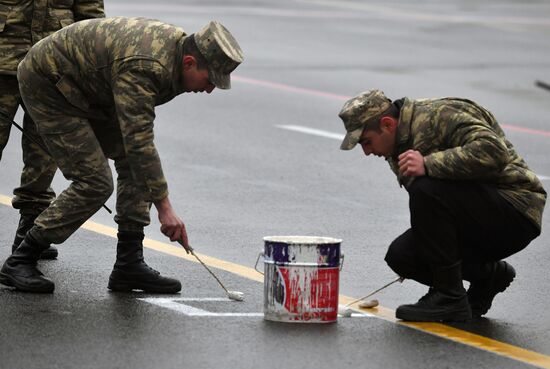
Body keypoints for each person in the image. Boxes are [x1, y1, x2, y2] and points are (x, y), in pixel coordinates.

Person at [0, 17, 244, 294]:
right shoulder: (146, 67)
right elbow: (139, 141)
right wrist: (166, 210)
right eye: (210, 79)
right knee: (95, 182)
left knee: (133, 164)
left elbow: (136, 148)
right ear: (189, 62)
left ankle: (129, 264)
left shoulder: (175, 55)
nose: (210, 89)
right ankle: (22, 258)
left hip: (91, 86)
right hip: (49, 83)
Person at [338, 90, 546, 322]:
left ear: (387, 124)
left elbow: (494, 152)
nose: (367, 152)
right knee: (402, 256)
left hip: (515, 209)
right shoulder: (396, 145)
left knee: (425, 186)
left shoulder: (440, 115)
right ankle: (490, 276)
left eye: (366, 141)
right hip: (477, 217)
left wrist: (428, 163)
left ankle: (449, 296)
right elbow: (436, 211)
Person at [0, 0, 105, 260]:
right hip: (3, 57)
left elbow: (91, 15)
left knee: (44, 153)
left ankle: (29, 230)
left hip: (54, 63)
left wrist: (87, 66)